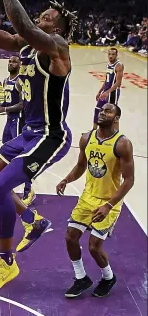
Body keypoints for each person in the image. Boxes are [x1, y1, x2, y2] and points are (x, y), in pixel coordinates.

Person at [0, 0, 78, 292]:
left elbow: (25, 27)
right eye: (40, 15)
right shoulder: (25, 47)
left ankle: (6, 261)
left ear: (57, 29)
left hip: (50, 135)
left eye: (47, 18)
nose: (40, 19)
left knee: (3, 185)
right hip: (29, 132)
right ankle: (32, 219)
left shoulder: (58, 48)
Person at [56, 103, 134, 298]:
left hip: (109, 200)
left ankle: (108, 277)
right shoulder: (87, 138)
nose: (103, 112)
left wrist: (108, 205)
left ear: (116, 118)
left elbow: (130, 180)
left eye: (108, 111)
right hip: (88, 197)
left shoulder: (122, 144)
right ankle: (81, 277)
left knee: (93, 246)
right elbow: (81, 165)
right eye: (102, 110)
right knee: (70, 237)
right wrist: (67, 179)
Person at [0, 55, 35, 206]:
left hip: (19, 120)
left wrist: (3, 108)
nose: (11, 63)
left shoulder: (21, 81)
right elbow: (7, 102)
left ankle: (28, 190)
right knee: (6, 152)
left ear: (20, 65)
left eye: (15, 62)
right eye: (10, 61)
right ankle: (6, 185)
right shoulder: (6, 80)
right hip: (10, 120)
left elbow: (22, 104)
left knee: (22, 156)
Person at [93, 48, 124, 130]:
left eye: (113, 54)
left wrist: (107, 92)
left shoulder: (119, 65)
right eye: (109, 54)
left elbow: (118, 83)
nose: (110, 56)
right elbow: (106, 80)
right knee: (97, 109)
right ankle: (94, 130)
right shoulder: (108, 64)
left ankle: (115, 132)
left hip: (113, 93)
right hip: (105, 91)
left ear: (116, 55)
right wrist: (100, 91)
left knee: (112, 113)